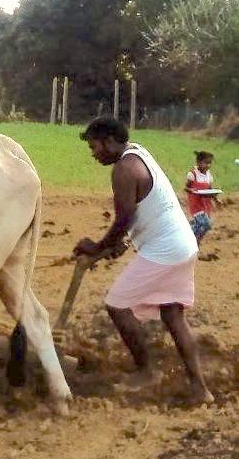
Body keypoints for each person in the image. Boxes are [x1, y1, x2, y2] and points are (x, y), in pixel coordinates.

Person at [74, 117, 213, 404]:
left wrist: (97, 246)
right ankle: (201, 389)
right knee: (173, 316)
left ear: (109, 141)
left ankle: (146, 371)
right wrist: (119, 244)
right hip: (182, 243)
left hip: (165, 249)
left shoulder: (124, 169)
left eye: (94, 147)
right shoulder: (138, 153)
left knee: (117, 305)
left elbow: (123, 218)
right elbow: (143, 211)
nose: (93, 154)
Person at [184, 151, 219, 245]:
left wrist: (216, 199)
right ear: (198, 163)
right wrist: (191, 190)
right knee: (206, 224)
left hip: (205, 204)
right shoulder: (193, 174)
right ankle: (190, 239)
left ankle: (194, 241)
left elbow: (210, 189)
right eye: (206, 163)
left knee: (202, 225)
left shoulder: (208, 175)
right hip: (196, 204)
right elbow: (186, 187)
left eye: (210, 163)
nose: (208, 165)